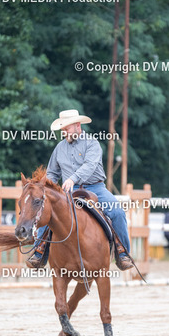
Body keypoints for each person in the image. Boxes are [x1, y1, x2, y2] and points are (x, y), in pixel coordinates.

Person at [27, 109, 134, 270]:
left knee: (117, 212)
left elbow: (90, 165)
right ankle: (39, 251)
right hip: (69, 191)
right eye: (63, 129)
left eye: (67, 128)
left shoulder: (92, 143)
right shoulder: (59, 148)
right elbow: (52, 173)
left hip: (96, 188)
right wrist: (44, 188)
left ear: (78, 126)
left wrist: (72, 178)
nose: (64, 132)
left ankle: (123, 253)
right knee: (47, 210)